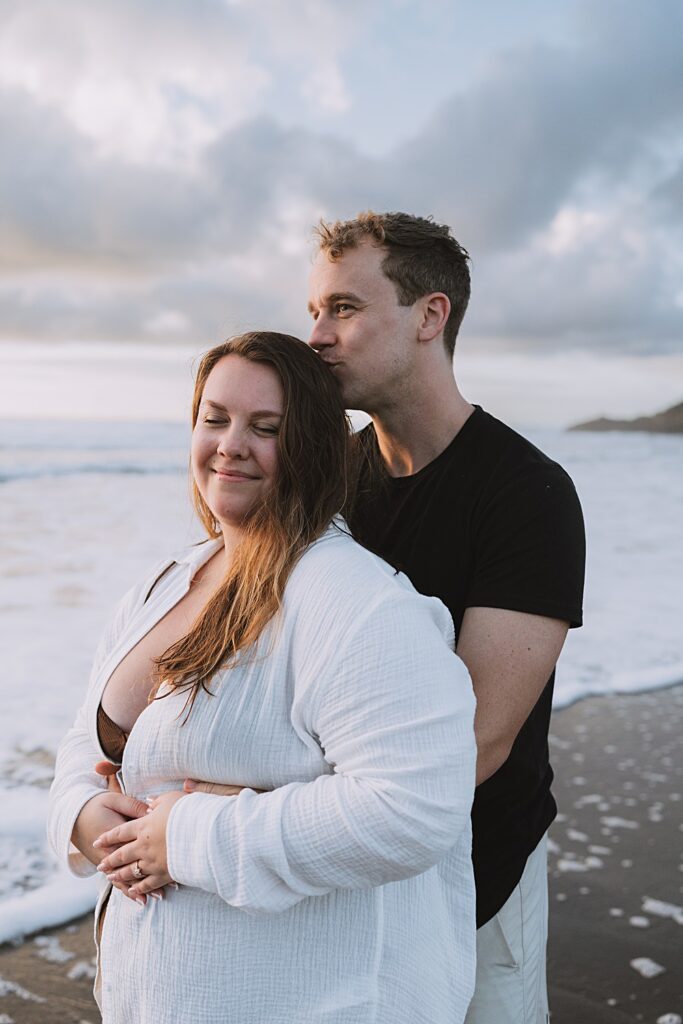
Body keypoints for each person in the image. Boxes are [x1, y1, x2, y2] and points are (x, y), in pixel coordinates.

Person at [47, 331, 478, 1024]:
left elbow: (413, 810)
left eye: (265, 428)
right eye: (214, 418)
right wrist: (84, 814)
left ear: (311, 445)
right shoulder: (168, 581)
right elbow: (84, 737)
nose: (230, 444)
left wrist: (186, 837)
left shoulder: (360, 602)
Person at [306, 212, 586, 1024]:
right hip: (343, 859)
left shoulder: (526, 493)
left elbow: (474, 740)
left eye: (345, 309)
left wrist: (256, 816)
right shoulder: (326, 486)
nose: (317, 336)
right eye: (314, 311)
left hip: (476, 863)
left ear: (431, 316)